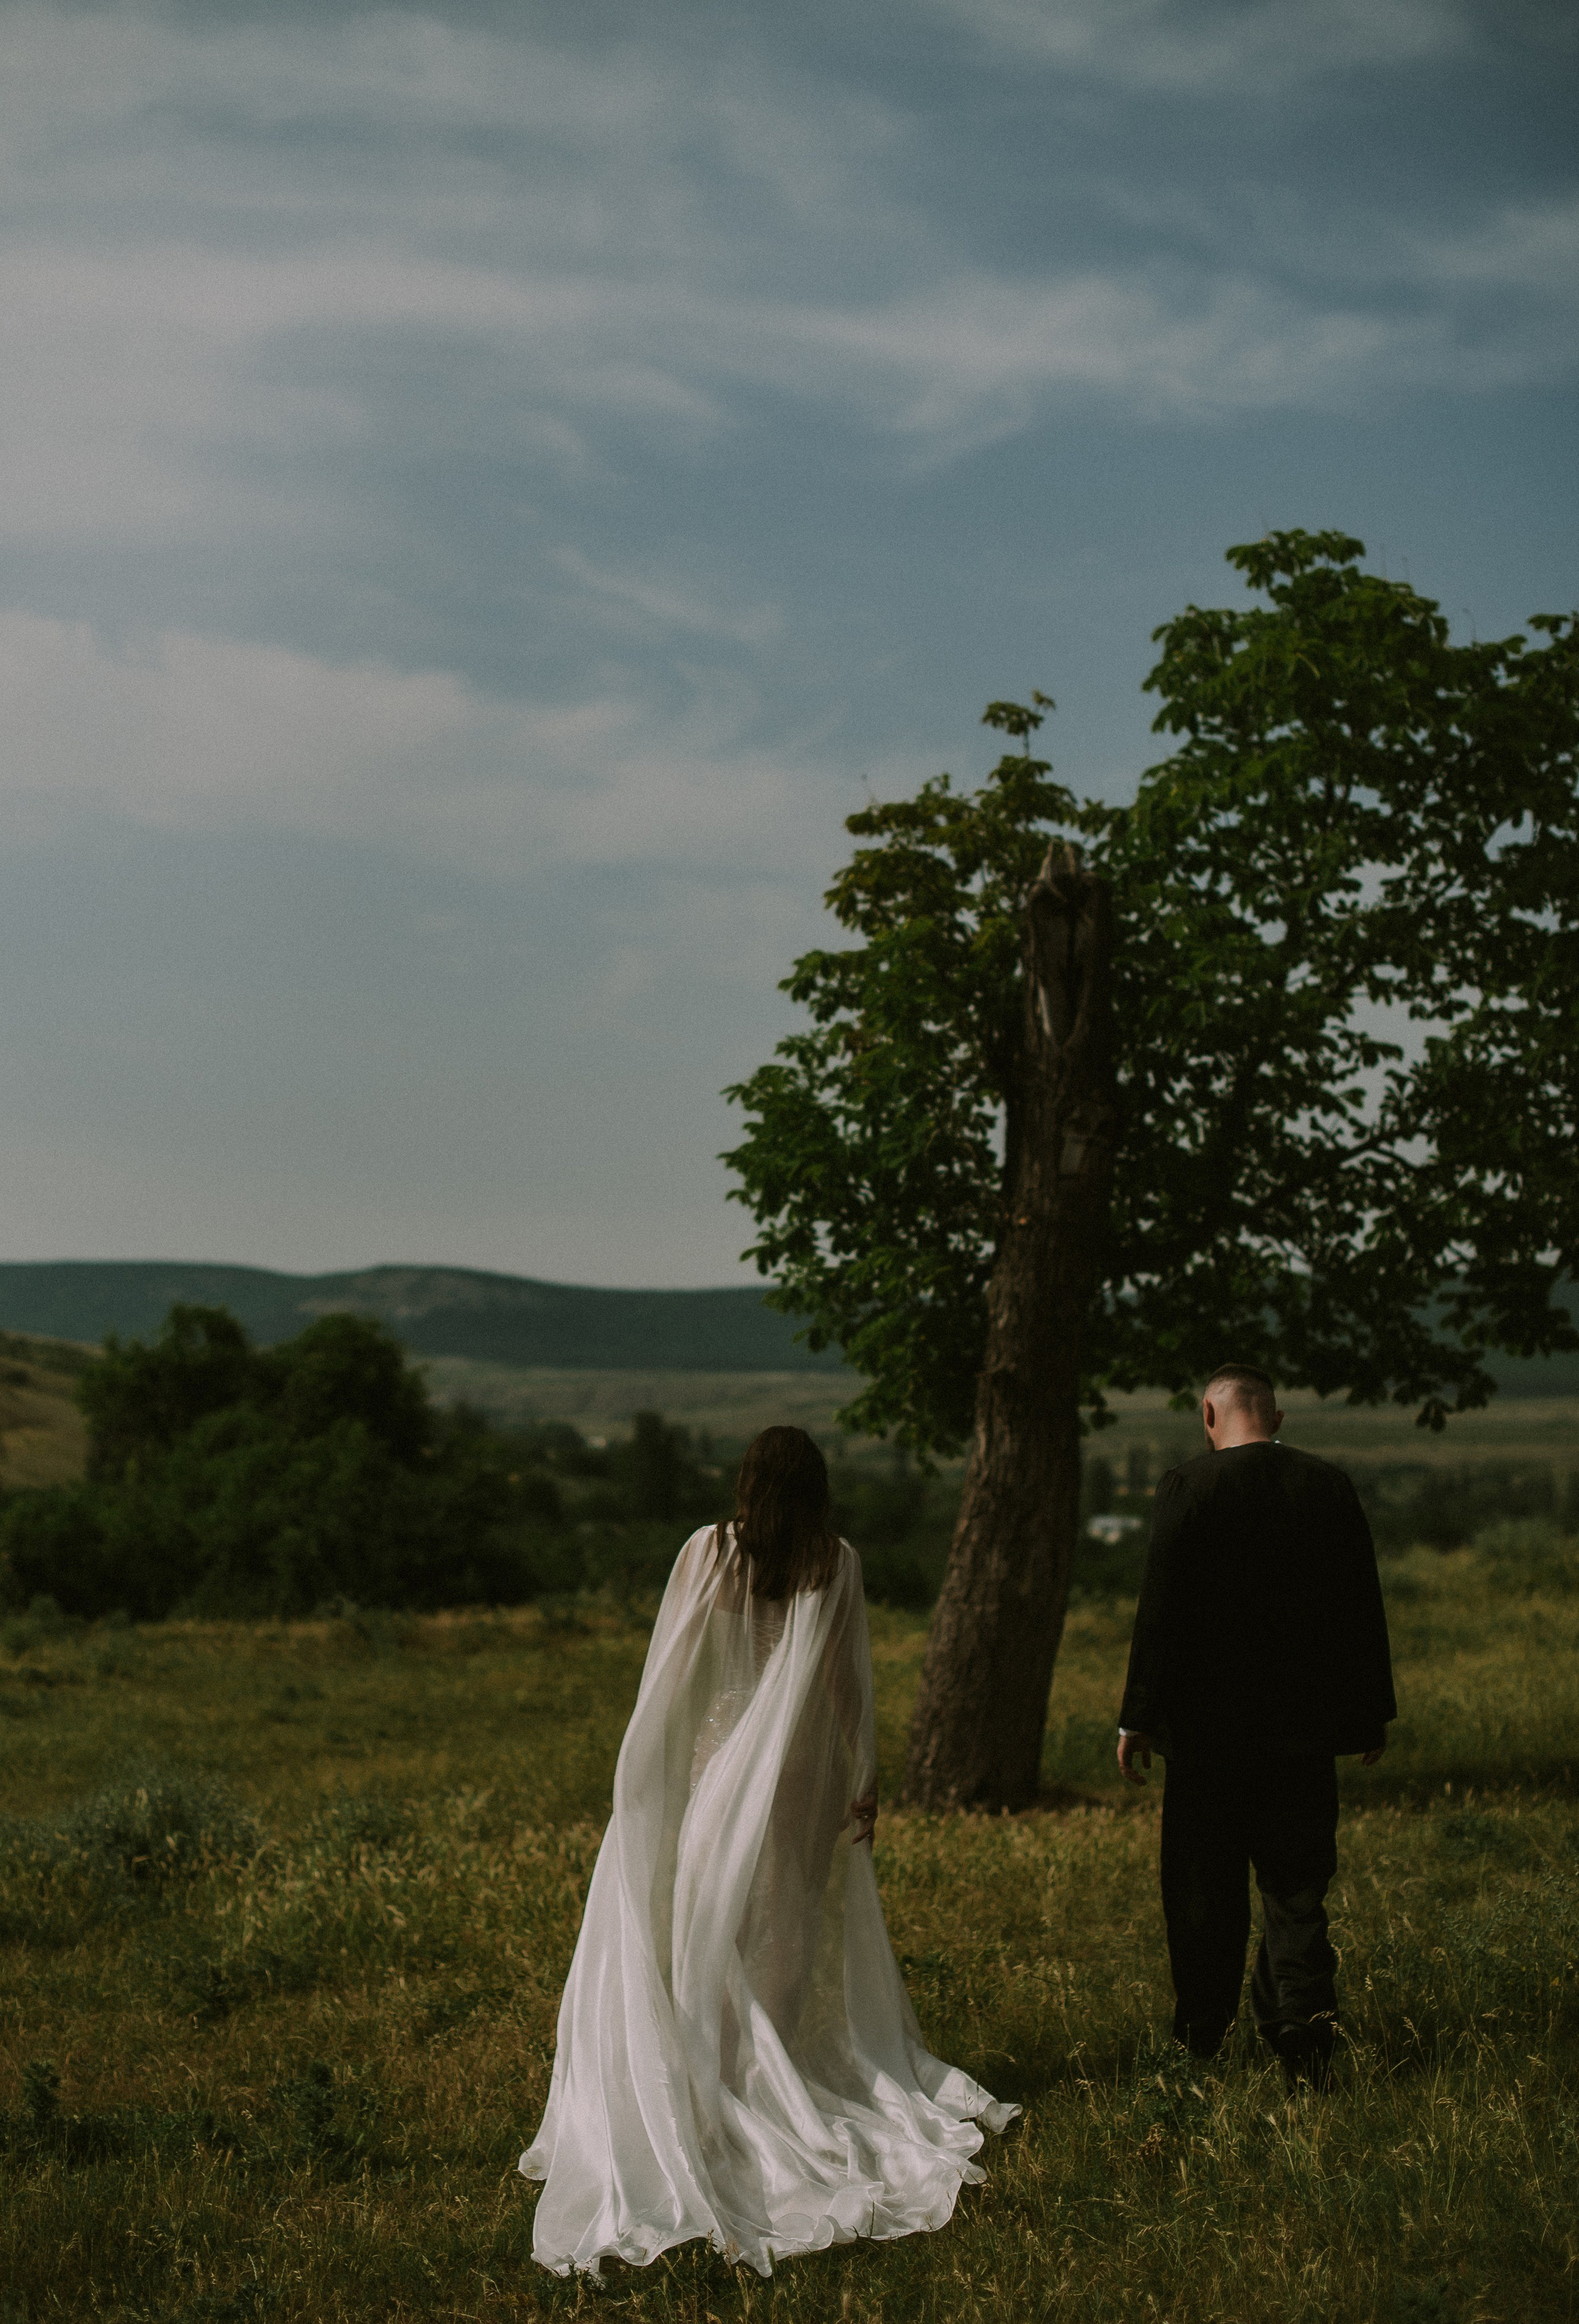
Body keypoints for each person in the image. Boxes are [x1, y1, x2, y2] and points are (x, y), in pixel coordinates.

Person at [520, 1425, 1016, 2277]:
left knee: (706, 1920)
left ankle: (710, 2081)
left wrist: (653, 1773)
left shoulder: (710, 1552)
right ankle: (764, 2069)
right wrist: (862, 1773)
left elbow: (672, 1671)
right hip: (796, 1772)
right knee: (784, 1926)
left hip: (720, 1764)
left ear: (748, 1481)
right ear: (817, 1486)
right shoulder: (838, 1563)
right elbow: (845, 1682)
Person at [1116, 1364, 1395, 2088]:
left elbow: (1161, 1609)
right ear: (1277, 1417)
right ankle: (1302, 2024)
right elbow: (1359, 1605)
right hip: (1301, 1736)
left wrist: (1137, 1716)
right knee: (1297, 1887)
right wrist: (1368, 1714)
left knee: (1203, 1891)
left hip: (1206, 1739)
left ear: (1210, 1416)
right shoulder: (1325, 1485)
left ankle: (1200, 2036)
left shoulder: (1188, 1487)